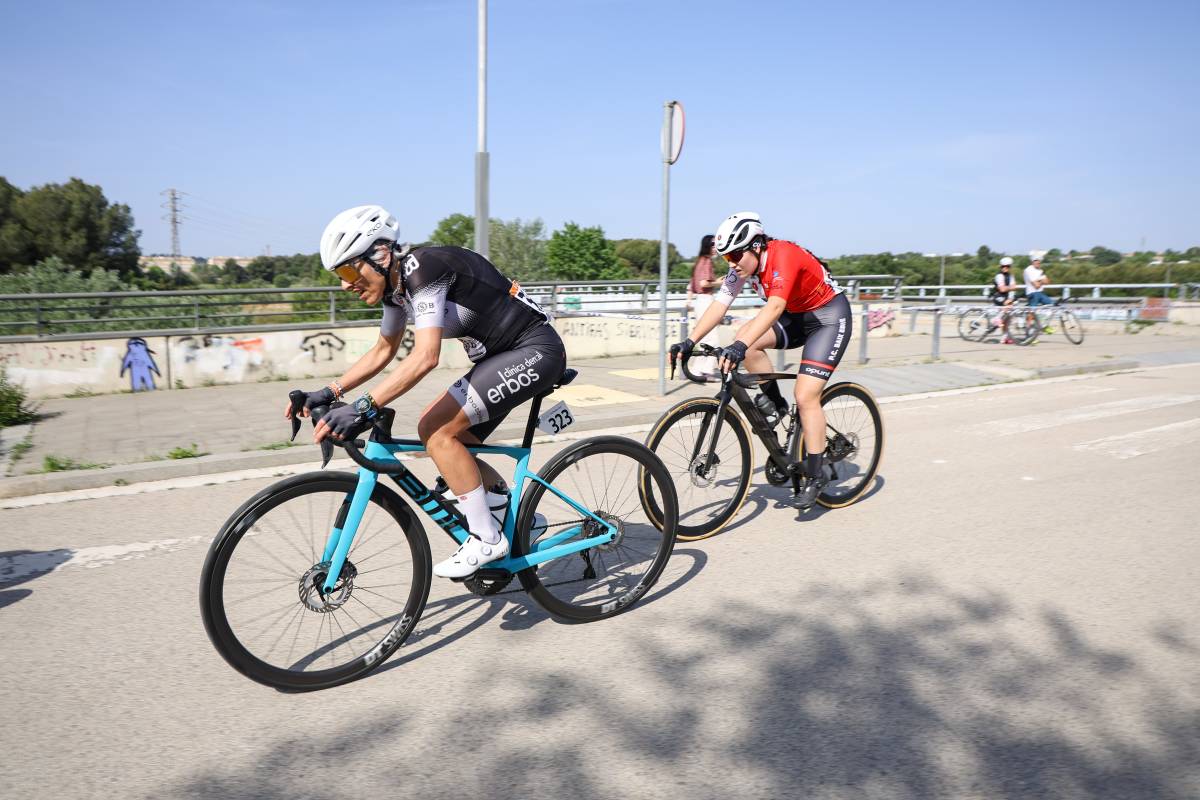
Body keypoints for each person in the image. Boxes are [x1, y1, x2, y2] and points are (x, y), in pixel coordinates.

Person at [287, 205, 566, 578]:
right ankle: (507, 512)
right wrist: (329, 390)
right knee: (447, 445)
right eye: (339, 274)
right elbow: (384, 350)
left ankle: (487, 538)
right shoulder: (396, 292)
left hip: (534, 352)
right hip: (499, 359)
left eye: (349, 270)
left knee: (436, 431)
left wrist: (363, 406)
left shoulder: (423, 270)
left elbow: (425, 357)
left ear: (381, 255)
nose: (344, 283)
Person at [669, 212, 852, 509]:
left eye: (736, 255)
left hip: (828, 318)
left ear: (756, 246)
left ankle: (817, 474)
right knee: (747, 337)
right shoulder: (741, 268)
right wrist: (689, 341)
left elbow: (775, 306)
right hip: (797, 316)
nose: (731, 263)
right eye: (726, 257)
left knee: (805, 395)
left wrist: (738, 347)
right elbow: (719, 305)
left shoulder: (783, 256)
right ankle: (775, 404)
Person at [686, 234, 723, 377]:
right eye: (713, 245)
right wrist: (718, 283)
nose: (715, 248)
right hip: (705, 300)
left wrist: (688, 300)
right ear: (707, 246)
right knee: (712, 338)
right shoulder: (706, 262)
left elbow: (692, 283)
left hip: (699, 301)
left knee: (704, 337)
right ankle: (706, 370)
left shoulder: (699, 261)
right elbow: (703, 283)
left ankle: (697, 370)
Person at [990, 257, 1019, 344]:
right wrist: (1010, 287)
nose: (1005, 267)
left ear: (1009, 267)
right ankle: (996, 319)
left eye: (1007, 266)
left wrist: (1008, 289)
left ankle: (1004, 338)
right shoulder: (999, 276)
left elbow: (1014, 288)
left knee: (1008, 320)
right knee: (1007, 305)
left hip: (1006, 297)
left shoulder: (1011, 276)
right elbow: (1002, 290)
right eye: (1003, 266)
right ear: (1000, 267)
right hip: (997, 296)